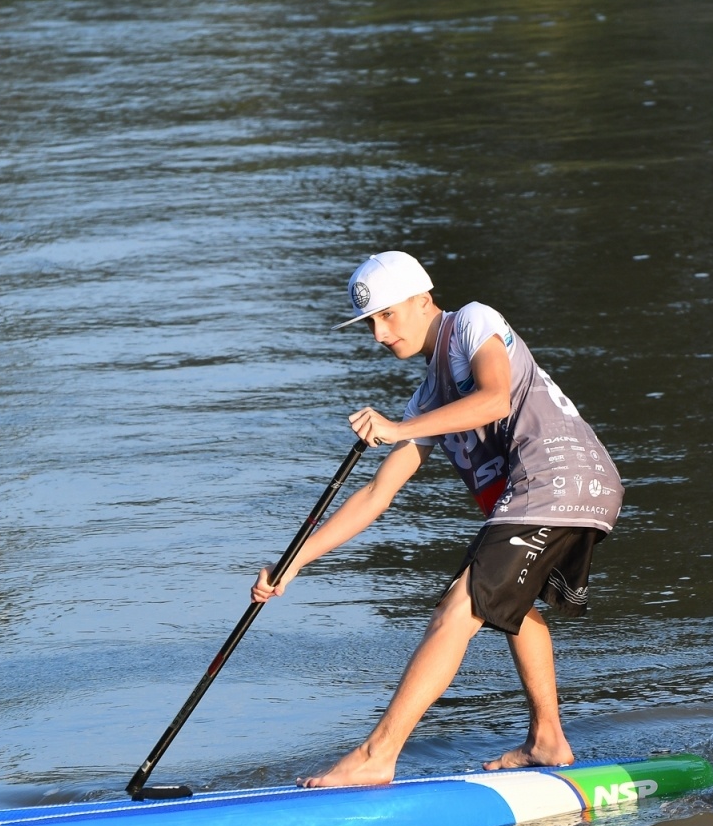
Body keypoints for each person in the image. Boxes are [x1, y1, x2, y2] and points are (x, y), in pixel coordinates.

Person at [250, 251, 622, 788]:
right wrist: (292, 563)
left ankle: (378, 756)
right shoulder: (428, 396)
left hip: (554, 483)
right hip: (574, 487)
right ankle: (547, 739)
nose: (378, 335)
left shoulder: (474, 320)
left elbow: (494, 398)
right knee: (509, 605)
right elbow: (377, 494)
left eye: (387, 316)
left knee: (458, 608)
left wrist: (399, 429)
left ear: (424, 300)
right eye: (369, 323)